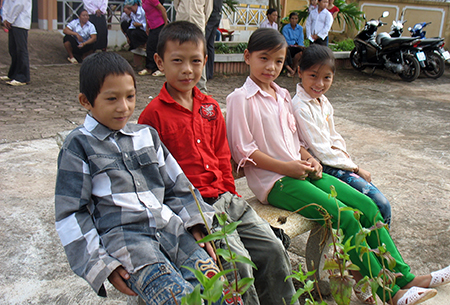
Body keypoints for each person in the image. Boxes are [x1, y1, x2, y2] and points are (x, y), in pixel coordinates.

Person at [226, 28, 450, 305]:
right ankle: (389, 293)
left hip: (301, 172)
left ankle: (404, 277)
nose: (271, 67)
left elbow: (293, 139)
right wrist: (289, 168)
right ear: (247, 57)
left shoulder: (281, 95)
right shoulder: (240, 99)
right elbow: (244, 151)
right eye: (264, 59)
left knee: (367, 206)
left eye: (279, 61)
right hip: (276, 182)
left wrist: (309, 158)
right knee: (345, 217)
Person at [138, 21, 298, 305]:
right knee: (238, 265)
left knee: (273, 248)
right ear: (160, 62)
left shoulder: (210, 107)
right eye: (177, 61)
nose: (188, 69)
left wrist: (230, 194)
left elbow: (223, 156)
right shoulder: (153, 116)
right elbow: (152, 175)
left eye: (195, 61)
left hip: (227, 199)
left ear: (205, 61)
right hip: (194, 207)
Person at [54, 52, 224, 305]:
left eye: (130, 96)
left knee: (218, 290)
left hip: (173, 231)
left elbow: (177, 187)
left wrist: (197, 223)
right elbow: (71, 213)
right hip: (131, 247)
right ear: (86, 101)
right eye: (112, 99)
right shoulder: (78, 146)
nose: (124, 107)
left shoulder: (147, 136)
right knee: (178, 300)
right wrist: (102, 265)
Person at [291, 44, 392, 228]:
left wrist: (349, 162)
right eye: (313, 76)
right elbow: (321, 151)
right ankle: (376, 253)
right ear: (300, 71)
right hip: (321, 167)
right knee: (379, 205)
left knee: (377, 205)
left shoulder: (323, 101)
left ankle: (377, 252)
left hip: (336, 163)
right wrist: (355, 168)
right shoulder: (300, 106)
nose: (319, 84)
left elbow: (333, 137)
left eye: (326, 77)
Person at [173, 0, 212, 94]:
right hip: (182, 21)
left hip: (197, 22)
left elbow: (208, 9)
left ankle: (201, 88)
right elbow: (176, 4)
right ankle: (177, 85)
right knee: (179, 54)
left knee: (198, 56)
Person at [1, 0, 31, 86]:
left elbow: (19, 4)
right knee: (13, 50)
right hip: (11, 22)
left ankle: (23, 77)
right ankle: (13, 74)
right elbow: (6, 4)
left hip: (20, 22)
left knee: (21, 50)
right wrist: (5, 18)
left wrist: (9, 19)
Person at [137, 0, 167, 77]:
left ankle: (161, 69)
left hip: (159, 24)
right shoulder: (143, 1)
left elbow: (163, 9)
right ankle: (149, 67)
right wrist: (147, 26)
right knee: (150, 47)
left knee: (157, 47)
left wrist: (166, 25)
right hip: (152, 25)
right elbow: (147, 14)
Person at [281, 12, 304, 77]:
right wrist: (294, 44)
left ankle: (293, 69)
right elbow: (286, 39)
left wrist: (299, 45)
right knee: (287, 51)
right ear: (290, 19)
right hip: (289, 46)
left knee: (301, 53)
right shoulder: (286, 28)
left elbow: (301, 39)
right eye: (292, 18)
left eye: (296, 18)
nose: (294, 20)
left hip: (298, 46)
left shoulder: (300, 28)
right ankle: (290, 70)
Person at [204, 0, 223, 80]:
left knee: (204, 44)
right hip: (217, 15)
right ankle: (209, 73)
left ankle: (205, 73)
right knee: (210, 45)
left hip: (210, 16)